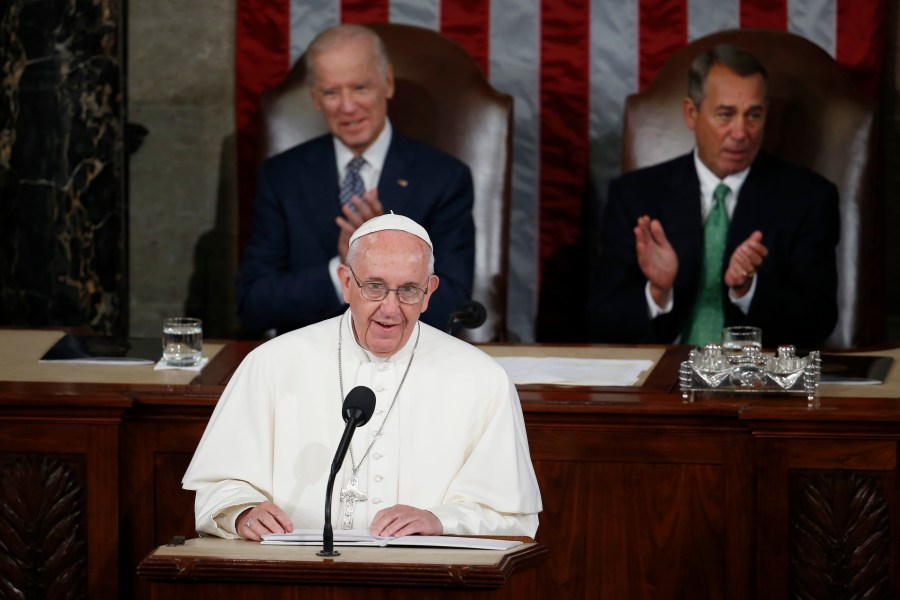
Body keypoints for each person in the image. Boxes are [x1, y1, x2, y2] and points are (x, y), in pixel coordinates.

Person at [184, 213, 542, 540]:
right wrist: (243, 513)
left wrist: (439, 520)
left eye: (408, 290)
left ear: (429, 292)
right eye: (374, 286)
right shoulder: (271, 363)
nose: (390, 308)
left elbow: (514, 517)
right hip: (297, 576)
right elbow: (218, 486)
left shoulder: (481, 379)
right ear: (345, 283)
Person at [588, 44, 839, 349]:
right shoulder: (635, 195)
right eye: (725, 114)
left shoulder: (809, 198)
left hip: (756, 383)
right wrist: (657, 292)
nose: (740, 132)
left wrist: (748, 290)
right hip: (661, 378)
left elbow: (819, 320)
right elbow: (601, 318)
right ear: (691, 113)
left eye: (754, 115)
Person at [236, 24, 475, 336]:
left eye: (360, 88)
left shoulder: (444, 178)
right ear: (315, 99)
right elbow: (253, 303)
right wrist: (343, 270)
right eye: (331, 92)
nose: (347, 107)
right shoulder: (282, 176)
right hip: (309, 359)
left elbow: (453, 306)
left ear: (387, 83)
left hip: (409, 362)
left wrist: (382, 257)